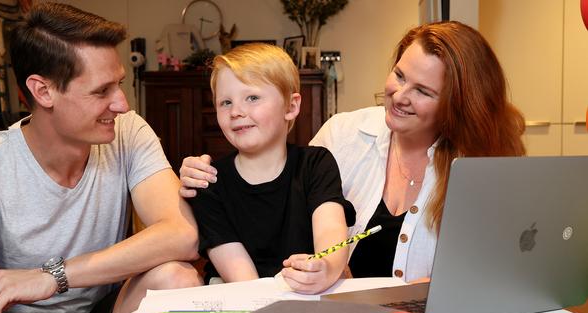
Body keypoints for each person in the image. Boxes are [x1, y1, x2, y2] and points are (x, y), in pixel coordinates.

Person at [0, 3, 201, 313]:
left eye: (120, 84)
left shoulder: (128, 132)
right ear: (43, 91)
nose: (122, 104)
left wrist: (53, 277)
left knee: (177, 279)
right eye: (101, 91)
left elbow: (183, 235)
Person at [179, 21, 525, 283]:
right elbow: (285, 199)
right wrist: (199, 175)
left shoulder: (477, 165)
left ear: (456, 105)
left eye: (422, 90)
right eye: (399, 75)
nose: (399, 95)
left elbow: (493, 273)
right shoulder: (342, 134)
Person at [188, 43, 355, 294]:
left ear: (291, 106)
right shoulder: (209, 181)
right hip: (239, 299)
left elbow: (331, 229)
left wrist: (326, 267)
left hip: (308, 293)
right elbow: (242, 279)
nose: (236, 112)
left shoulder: (316, 164)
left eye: (252, 98)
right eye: (225, 102)